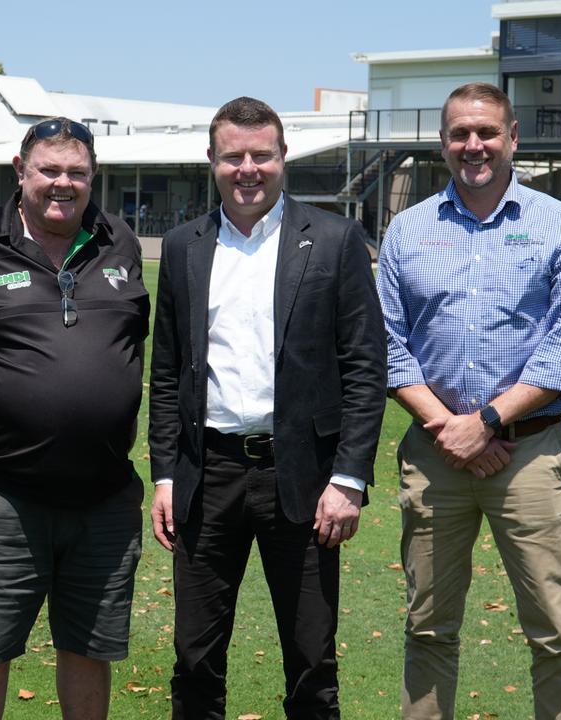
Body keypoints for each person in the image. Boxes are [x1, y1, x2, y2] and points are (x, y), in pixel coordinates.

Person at [0, 116, 149, 720]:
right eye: (50, 170)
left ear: (94, 176)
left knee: (90, 651)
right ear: (20, 170)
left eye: (77, 173)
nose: (63, 183)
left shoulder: (122, 242)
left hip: (105, 498)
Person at [147, 96, 387, 720]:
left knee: (312, 662)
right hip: (209, 474)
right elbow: (168, 371)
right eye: (233, 157)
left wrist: (349, 479)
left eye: (262, 155)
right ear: (212, 160)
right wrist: (167, 475)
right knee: (195, 661)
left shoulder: (335, 240)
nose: (247, 169)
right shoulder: (183, 247)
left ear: (284, 159)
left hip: (305, 478)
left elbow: (365, 366)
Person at [376, 82, 561, 719]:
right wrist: (453, 429)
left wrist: (491, 421)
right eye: (459, 134)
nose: (473, 145)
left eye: (486, 133)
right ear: (443, 142)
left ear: (513, 138)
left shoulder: (560, 228)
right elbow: (389, 345)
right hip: (435, 454)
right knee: (428, 630)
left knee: (557, 635)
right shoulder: (408, 229)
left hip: (531, 458)